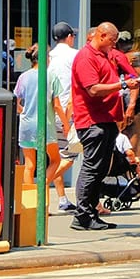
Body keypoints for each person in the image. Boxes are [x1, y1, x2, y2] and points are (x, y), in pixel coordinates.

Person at [70, 22, 139, 231]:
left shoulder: (108, 54)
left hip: (107, 119)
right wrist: (123, 85)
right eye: (112, 40)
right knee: (92, 167)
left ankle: (91, 211)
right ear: (101, 36)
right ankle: (82, 215)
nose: (114, 44)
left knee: (100, 168)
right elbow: (93, 89)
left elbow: (130, 71)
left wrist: (130, 77)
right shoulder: (86, 57)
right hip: (92, 120)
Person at [13, 60, 63, 199]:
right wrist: (66, 123)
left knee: (29, 165)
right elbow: (57, 106)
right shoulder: (51, 76)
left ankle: (31, 201)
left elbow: (16, 101)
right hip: (45, 123)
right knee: (55, 160)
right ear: (45, 58)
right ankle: (42, 188)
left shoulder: (23, 76)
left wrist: (24, 111)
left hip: (27, 124)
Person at [48, 21, 79, 212]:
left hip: (51, 112)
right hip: (69, 110)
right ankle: (41, 186)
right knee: (71, 155)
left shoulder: (48, 56)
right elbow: (77, 84)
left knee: (56, 158)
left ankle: (61, 199)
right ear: (69, 37)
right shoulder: (74, 55)